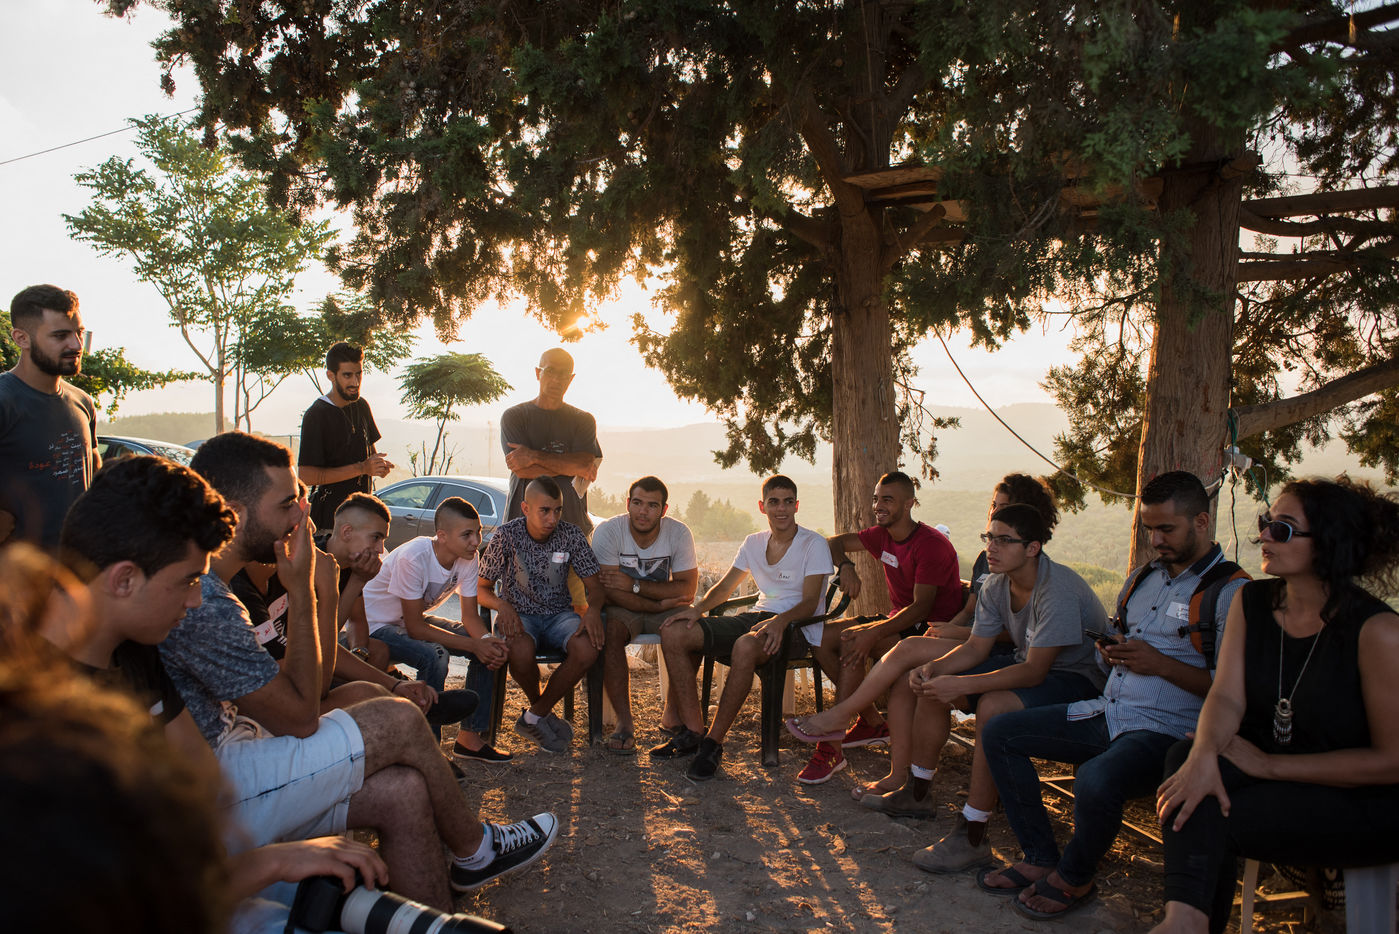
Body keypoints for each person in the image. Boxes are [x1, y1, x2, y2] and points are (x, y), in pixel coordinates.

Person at [157, 434, 558, 909]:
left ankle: (440, 905)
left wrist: (385, 673)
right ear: (235, 512)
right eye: (288, 504)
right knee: (397, 718)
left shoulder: (217, 586)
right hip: (216, 780)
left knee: (403, 790)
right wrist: (310, 591)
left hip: (241, 748)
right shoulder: (206, 598)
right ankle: (477, 848)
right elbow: (301, 714)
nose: (302, 517)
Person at [0, 542, 402, 934]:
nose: (196, 600)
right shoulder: (39, 755)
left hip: (199, 878)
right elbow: (132, 901)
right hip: (183, 895)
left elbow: (202, 786)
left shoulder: (132, 658)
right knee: (393, 719)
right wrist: (269, 863)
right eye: (189, 581)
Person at [978, 471, 1248, 920]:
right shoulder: (1143, 579)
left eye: (1167, 529)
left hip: (1167, 730)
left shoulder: (1230, 592)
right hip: (1111, 710)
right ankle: (1040, 855)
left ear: (1201, 522)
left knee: (1096, 778)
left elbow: (1233, 689)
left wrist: (1159, 664)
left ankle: (1075, 876)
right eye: (1149, 529)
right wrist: (1111, 651)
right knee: (1001, 731)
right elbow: (1120, 639)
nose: (1156, 540)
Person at [789, 503, 1105, 873]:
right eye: (989, 538)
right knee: (930, 683)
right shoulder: (997, 585)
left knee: (993, 706)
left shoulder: (1057, 590)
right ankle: (918, 791)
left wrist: (961, 682)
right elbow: (976, 648)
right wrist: (934, 669)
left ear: (1033, 548)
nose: (991, 548)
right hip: (1027, 665)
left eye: (1004, 540)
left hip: (1075, 679)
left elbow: (1035, 671)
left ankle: (973, 832)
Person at [1151, 477, 1399, 934]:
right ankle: (1185, 919)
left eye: (1282, 529)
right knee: (1186, 758)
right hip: (1273, 769)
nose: (1263, 534)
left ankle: (1186, 922)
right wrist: (1205, 753)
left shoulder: (1377, 631)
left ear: (1328, 543)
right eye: (1267, 522)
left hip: (1357, 797)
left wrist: (1269, 765)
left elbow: (1392, 761)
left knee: (1210, 813)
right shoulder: (1253, 601)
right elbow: (1226, 695)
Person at [655, 475, 833, 782]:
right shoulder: (753, 542)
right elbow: (725, 587)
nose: (781, 509)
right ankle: (694, 732)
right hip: (757, 618)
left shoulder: (812, 544)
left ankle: (712, 744)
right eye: (774, 502)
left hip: (796, 628)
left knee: (745, 645)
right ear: (763, 507)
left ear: (796, 505)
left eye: (788, 502)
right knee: (675, 632)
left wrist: (780, 621)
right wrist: (697, 609)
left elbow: (810, 602)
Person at [805, 470, 963, 784]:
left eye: (887, 500)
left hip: (928, 629)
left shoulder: (930, 545)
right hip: (899, 619)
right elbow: (833, 543)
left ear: (909, 504)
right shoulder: (882, 535)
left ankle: (831, 746)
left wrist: (872, 633)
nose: (878, 506)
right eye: (876, 499)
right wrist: (846, 566)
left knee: (853, 642)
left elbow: (921, 608)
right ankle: (872, 722)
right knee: (820, 638)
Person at [361, 496, 509, 761]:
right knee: (435, 655)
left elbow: (469, 617)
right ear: (442, 536)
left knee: (486, 649)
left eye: (478, 532)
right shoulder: (414, 557)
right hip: (377, 625)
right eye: (467, 535)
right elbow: (417, 629)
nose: (476, 541)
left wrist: (486, 641)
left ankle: (469, 738)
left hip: (407, 622)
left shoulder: (468, 558)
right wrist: (474, 644)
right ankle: (428, 750)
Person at [478, 476, 606, 753]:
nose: (552, 518)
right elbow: (481, 589)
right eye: (544, 510)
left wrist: (593, 610)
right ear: (525, 508)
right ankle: (541, 714)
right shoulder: (506, 536)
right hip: (519, 616)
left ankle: (534, 716)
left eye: (557, 510)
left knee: (588, 647)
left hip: (560, 615)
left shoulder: (571, 535)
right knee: (520, 650)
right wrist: (502, 606)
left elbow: (595, 587)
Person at [594, 475, 700, 754]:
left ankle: (672, 715)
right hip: (628, 607)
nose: (643, 511)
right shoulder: (609, 531)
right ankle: (624, 723)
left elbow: (687, 589)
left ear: (664, 510)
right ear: (627, 504)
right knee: (610, 632)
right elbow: (607, 591)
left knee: (691, 629)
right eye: (638, 503)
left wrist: (634, 584)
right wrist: (657, 604)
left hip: (657, 604)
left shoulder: (678, 533)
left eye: (652, 505)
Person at [0, 283, 99, 550]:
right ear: (21, 338)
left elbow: (93, 476)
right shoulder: (4, 402)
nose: (76, 344)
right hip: (16, 573)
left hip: (75, 568)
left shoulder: (83, 403)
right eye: (60, 336)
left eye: (79, 333)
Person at [935, 474, 1060, 643]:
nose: (994, 512)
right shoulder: (985, 559)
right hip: (971, 638)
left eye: (1004, 507)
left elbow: (1021, 633)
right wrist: (943, 631)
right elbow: (969, 611)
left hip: (990, 645)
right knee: (914, 646)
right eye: (994, 505)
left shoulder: (1030, 568)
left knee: (914, 650)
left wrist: (960, 633)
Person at [299, 342, 393, 530]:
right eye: (347, 375)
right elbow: (305, 475)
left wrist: (378, 466)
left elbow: (370, 456)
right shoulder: (316, 414)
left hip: (363, 519)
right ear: (331, 376)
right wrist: (361, 468)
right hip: (330, 525)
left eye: (359, 374)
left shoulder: (362, 406)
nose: (355, 382)